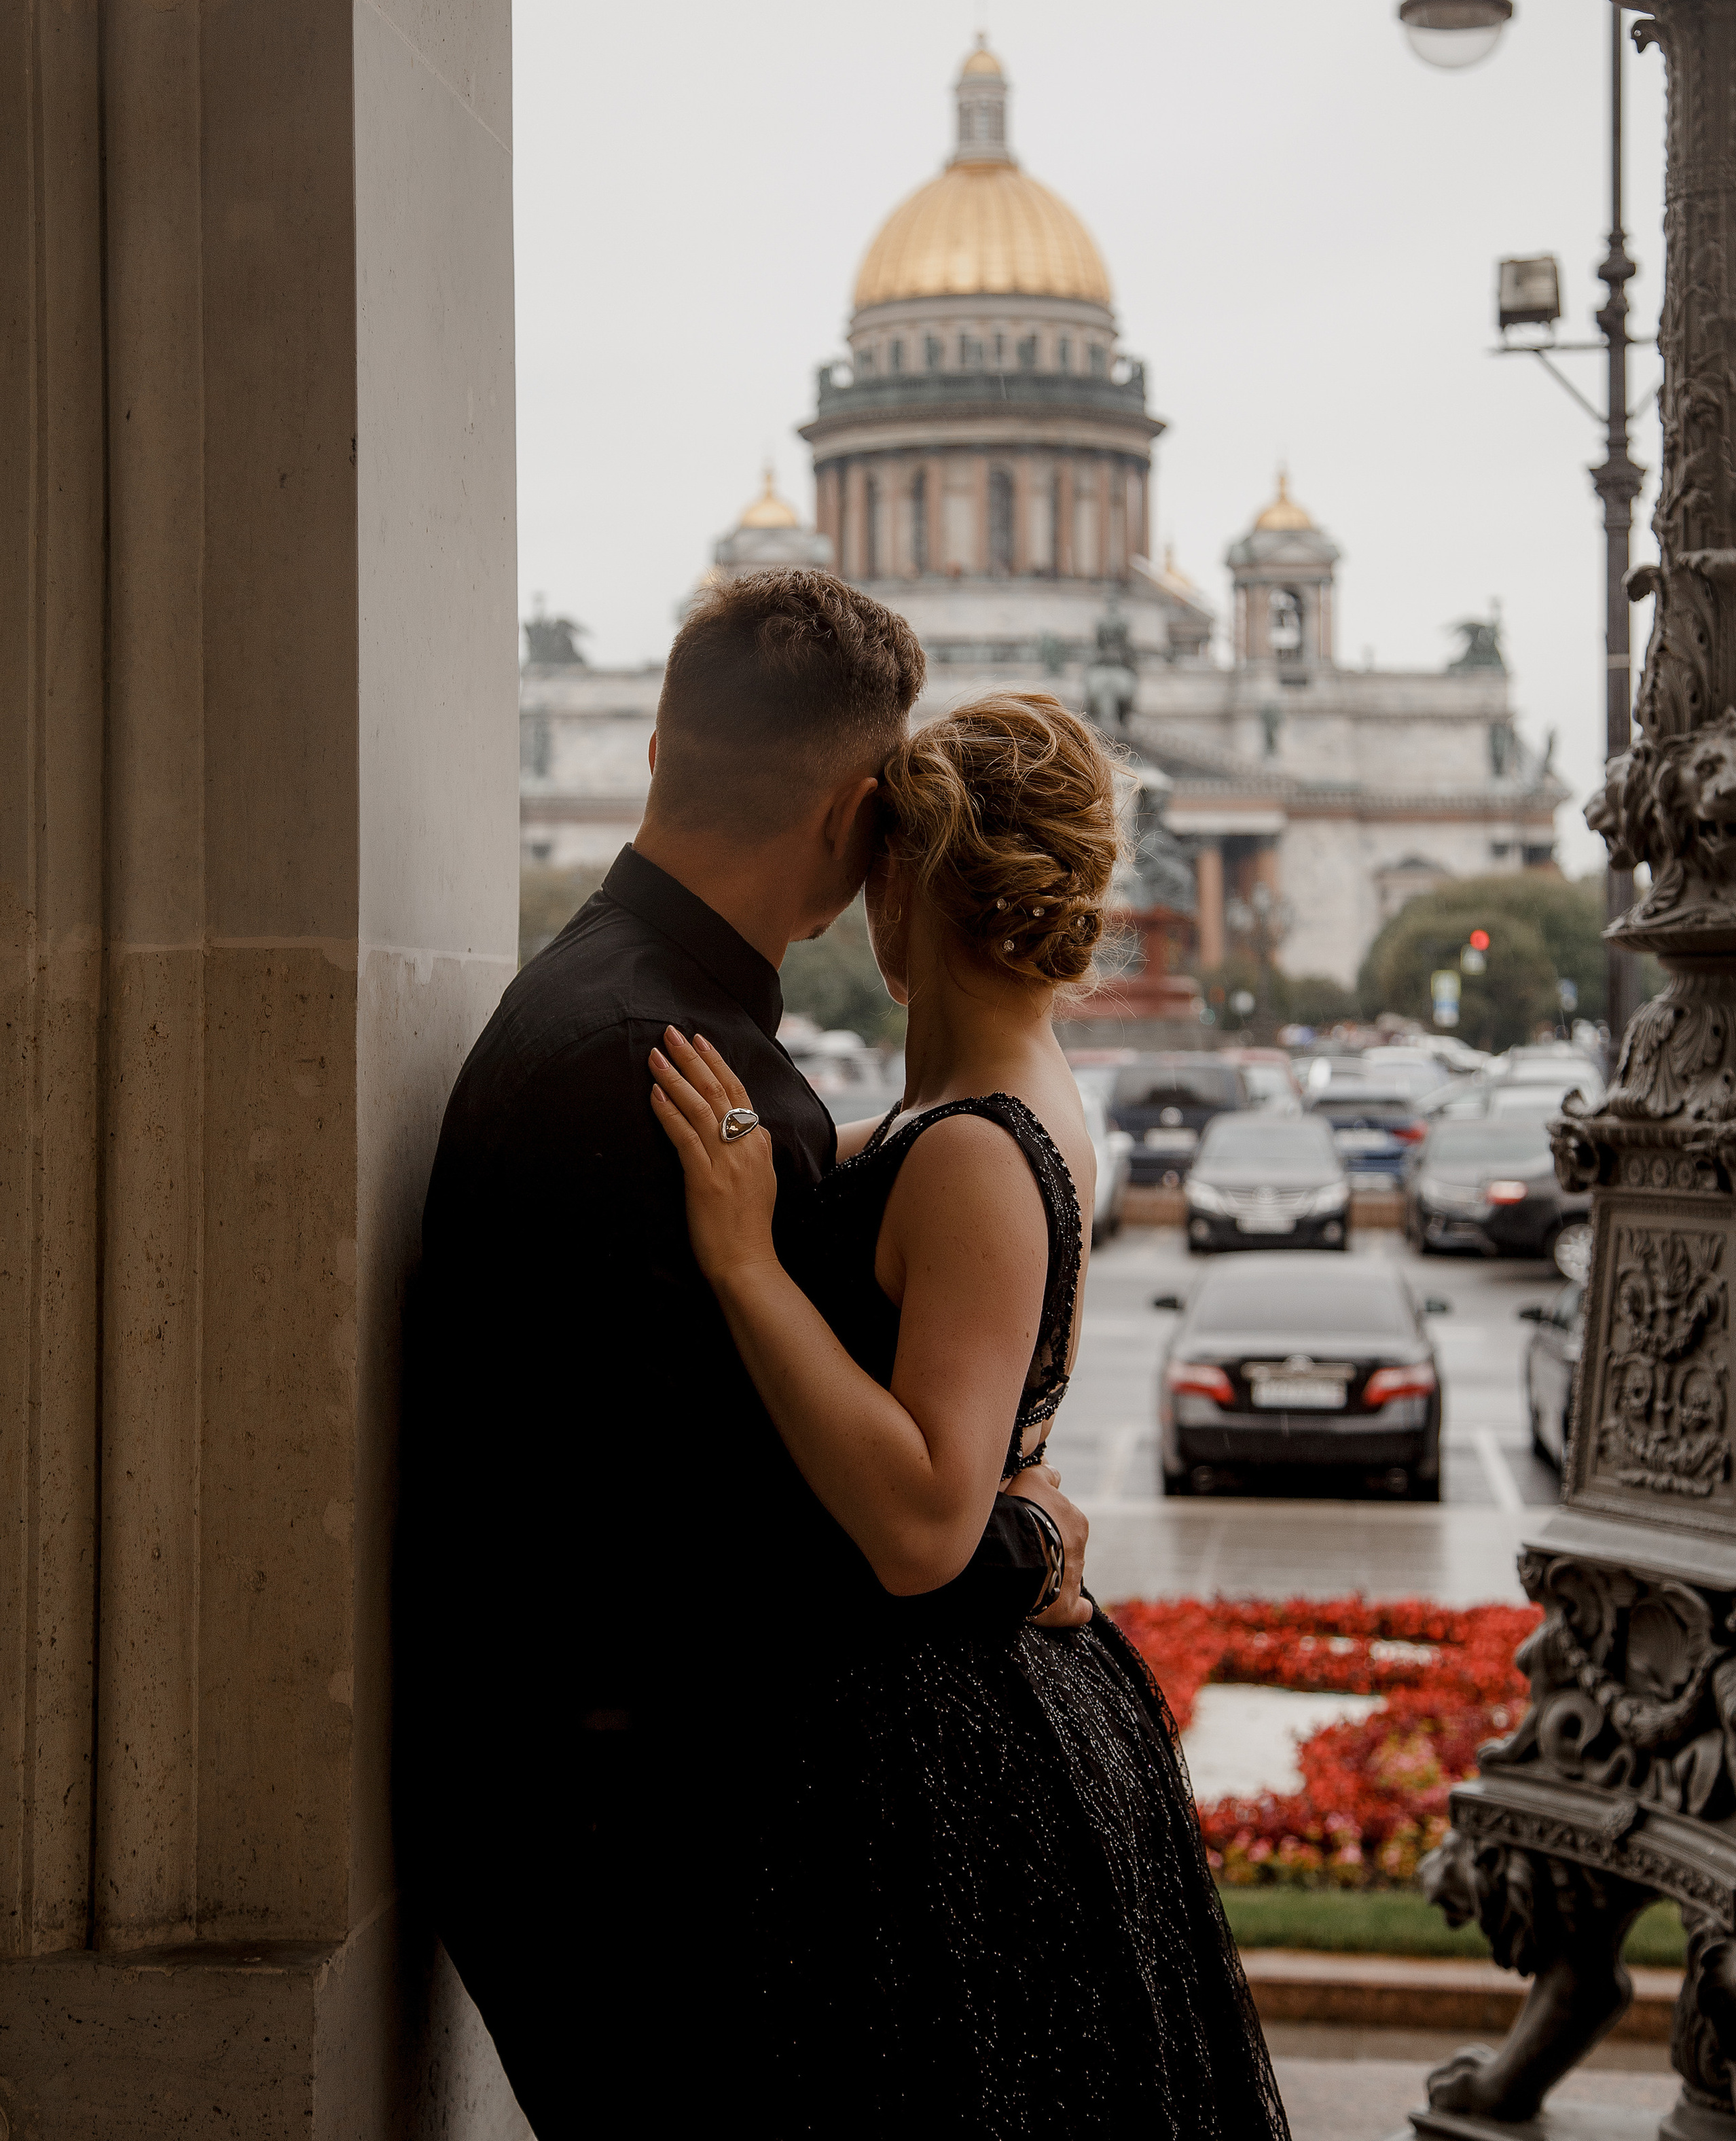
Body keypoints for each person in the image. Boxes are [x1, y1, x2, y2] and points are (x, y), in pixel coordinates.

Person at [397, 571, 1088, 2137]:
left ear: (653, 749)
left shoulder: (624, 1019)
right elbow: (759, 1534)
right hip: (638, 1831)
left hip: (593, 1802)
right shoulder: (680, 1070)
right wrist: (1020, 1537)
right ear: (859, 822)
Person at [647, 691, 1291, 2138]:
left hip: (922, 1744)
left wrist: (747, 1264)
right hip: (996, 1703)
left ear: (913, 884)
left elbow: (923, 1530)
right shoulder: (1001, 1108)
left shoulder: (973, 1148)